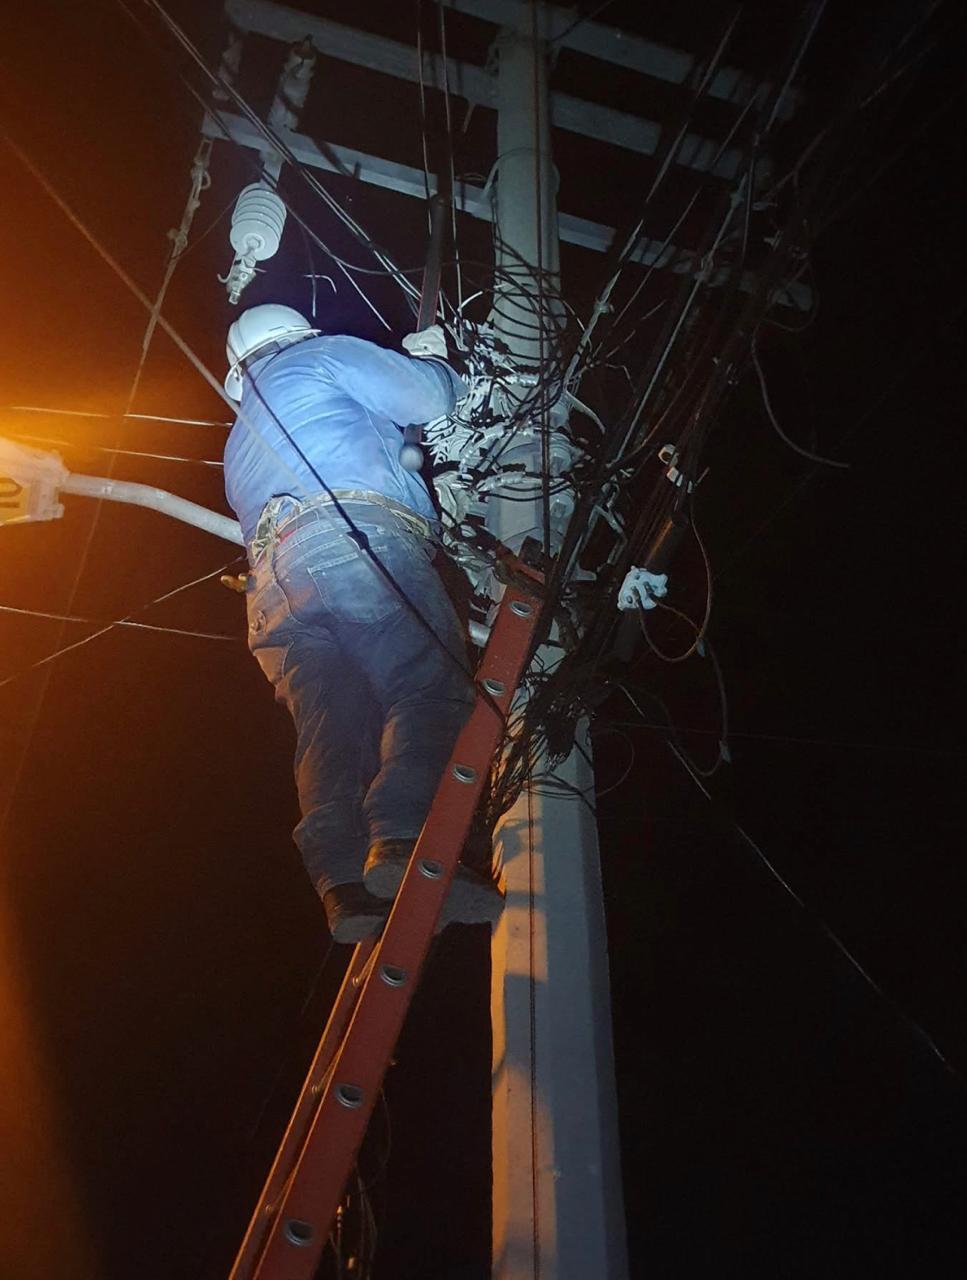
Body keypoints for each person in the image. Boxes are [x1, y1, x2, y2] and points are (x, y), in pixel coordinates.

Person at [222, 303, 502, 943]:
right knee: (428, 687)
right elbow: (428, 395)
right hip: (349, 541)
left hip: (272, 588)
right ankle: (407, 840)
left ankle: (342, 885)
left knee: (331, 727)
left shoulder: (237, 442)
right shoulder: (317, 356)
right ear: (294, 335)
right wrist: (435, 362)